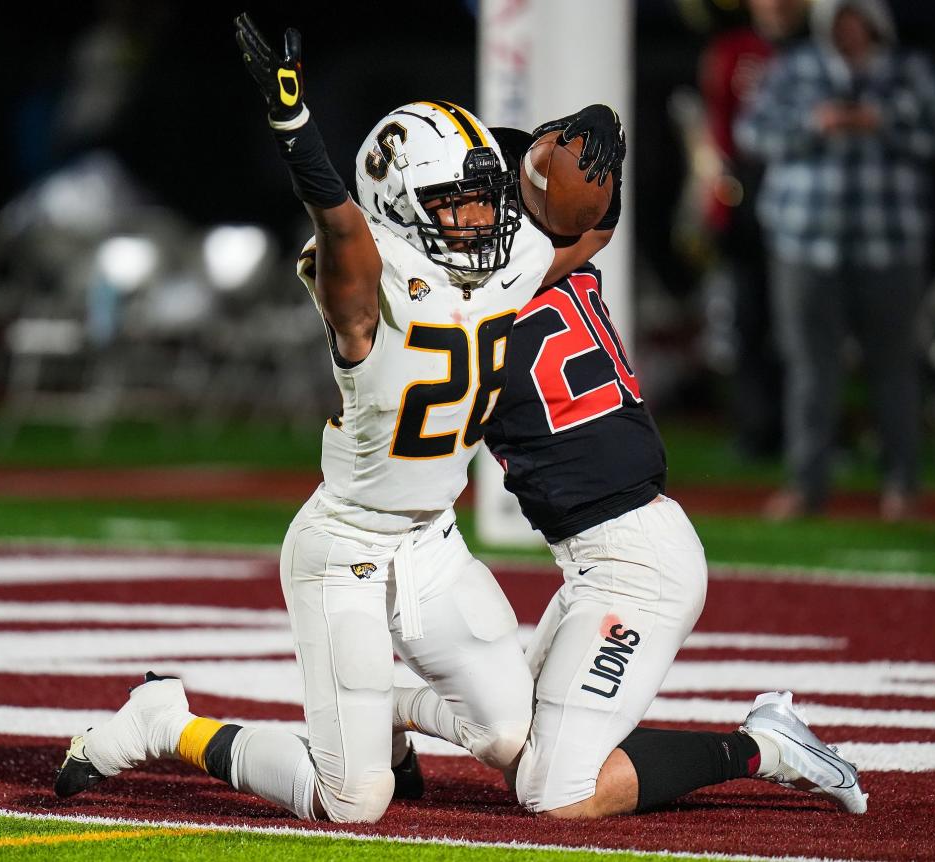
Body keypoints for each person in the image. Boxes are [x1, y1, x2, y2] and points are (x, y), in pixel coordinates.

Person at [54, 14, 619, 824]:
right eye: (454, 204)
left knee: (505, 734)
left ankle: (377, 711)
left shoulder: (509, 259)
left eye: (482, 198)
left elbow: (588, 226)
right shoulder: (368, 284)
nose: (479, 219)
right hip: (347, 545)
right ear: (401, 205)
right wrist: (294, 126)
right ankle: (167, 723)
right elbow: (340, 221)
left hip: (431, 539)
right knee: (352, 802)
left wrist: (604, 154)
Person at [391, 125, 867, 818]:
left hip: (635, 564)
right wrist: (579, 152)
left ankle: (763, 748)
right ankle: (382, 709)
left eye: (472, 202)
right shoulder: (564, 256)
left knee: (553, 793)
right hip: (607, 551)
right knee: (506, 735)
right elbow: (595, 223)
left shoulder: (474, 299)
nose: (461, 218)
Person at [736, 0, 935, 521]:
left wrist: (881, 124)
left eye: (856, 19)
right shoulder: (795, 69)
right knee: (809, 372)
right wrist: (813, 126)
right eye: (838, 20)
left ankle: (902, 487)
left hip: (890, 246)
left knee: (894, 370)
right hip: (804, 245)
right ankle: (806, 486)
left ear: (875, 23)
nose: (847, 30)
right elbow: (750, 135)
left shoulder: (910, 73)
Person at [699, 0, 809, 460]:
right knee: (748, 320)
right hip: (745, 198)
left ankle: (800, 432)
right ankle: (754, 430)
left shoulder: (816, 51)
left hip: (803, 202)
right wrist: (715, 200)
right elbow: (711, 129)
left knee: (799, 325)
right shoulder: (731, 50)